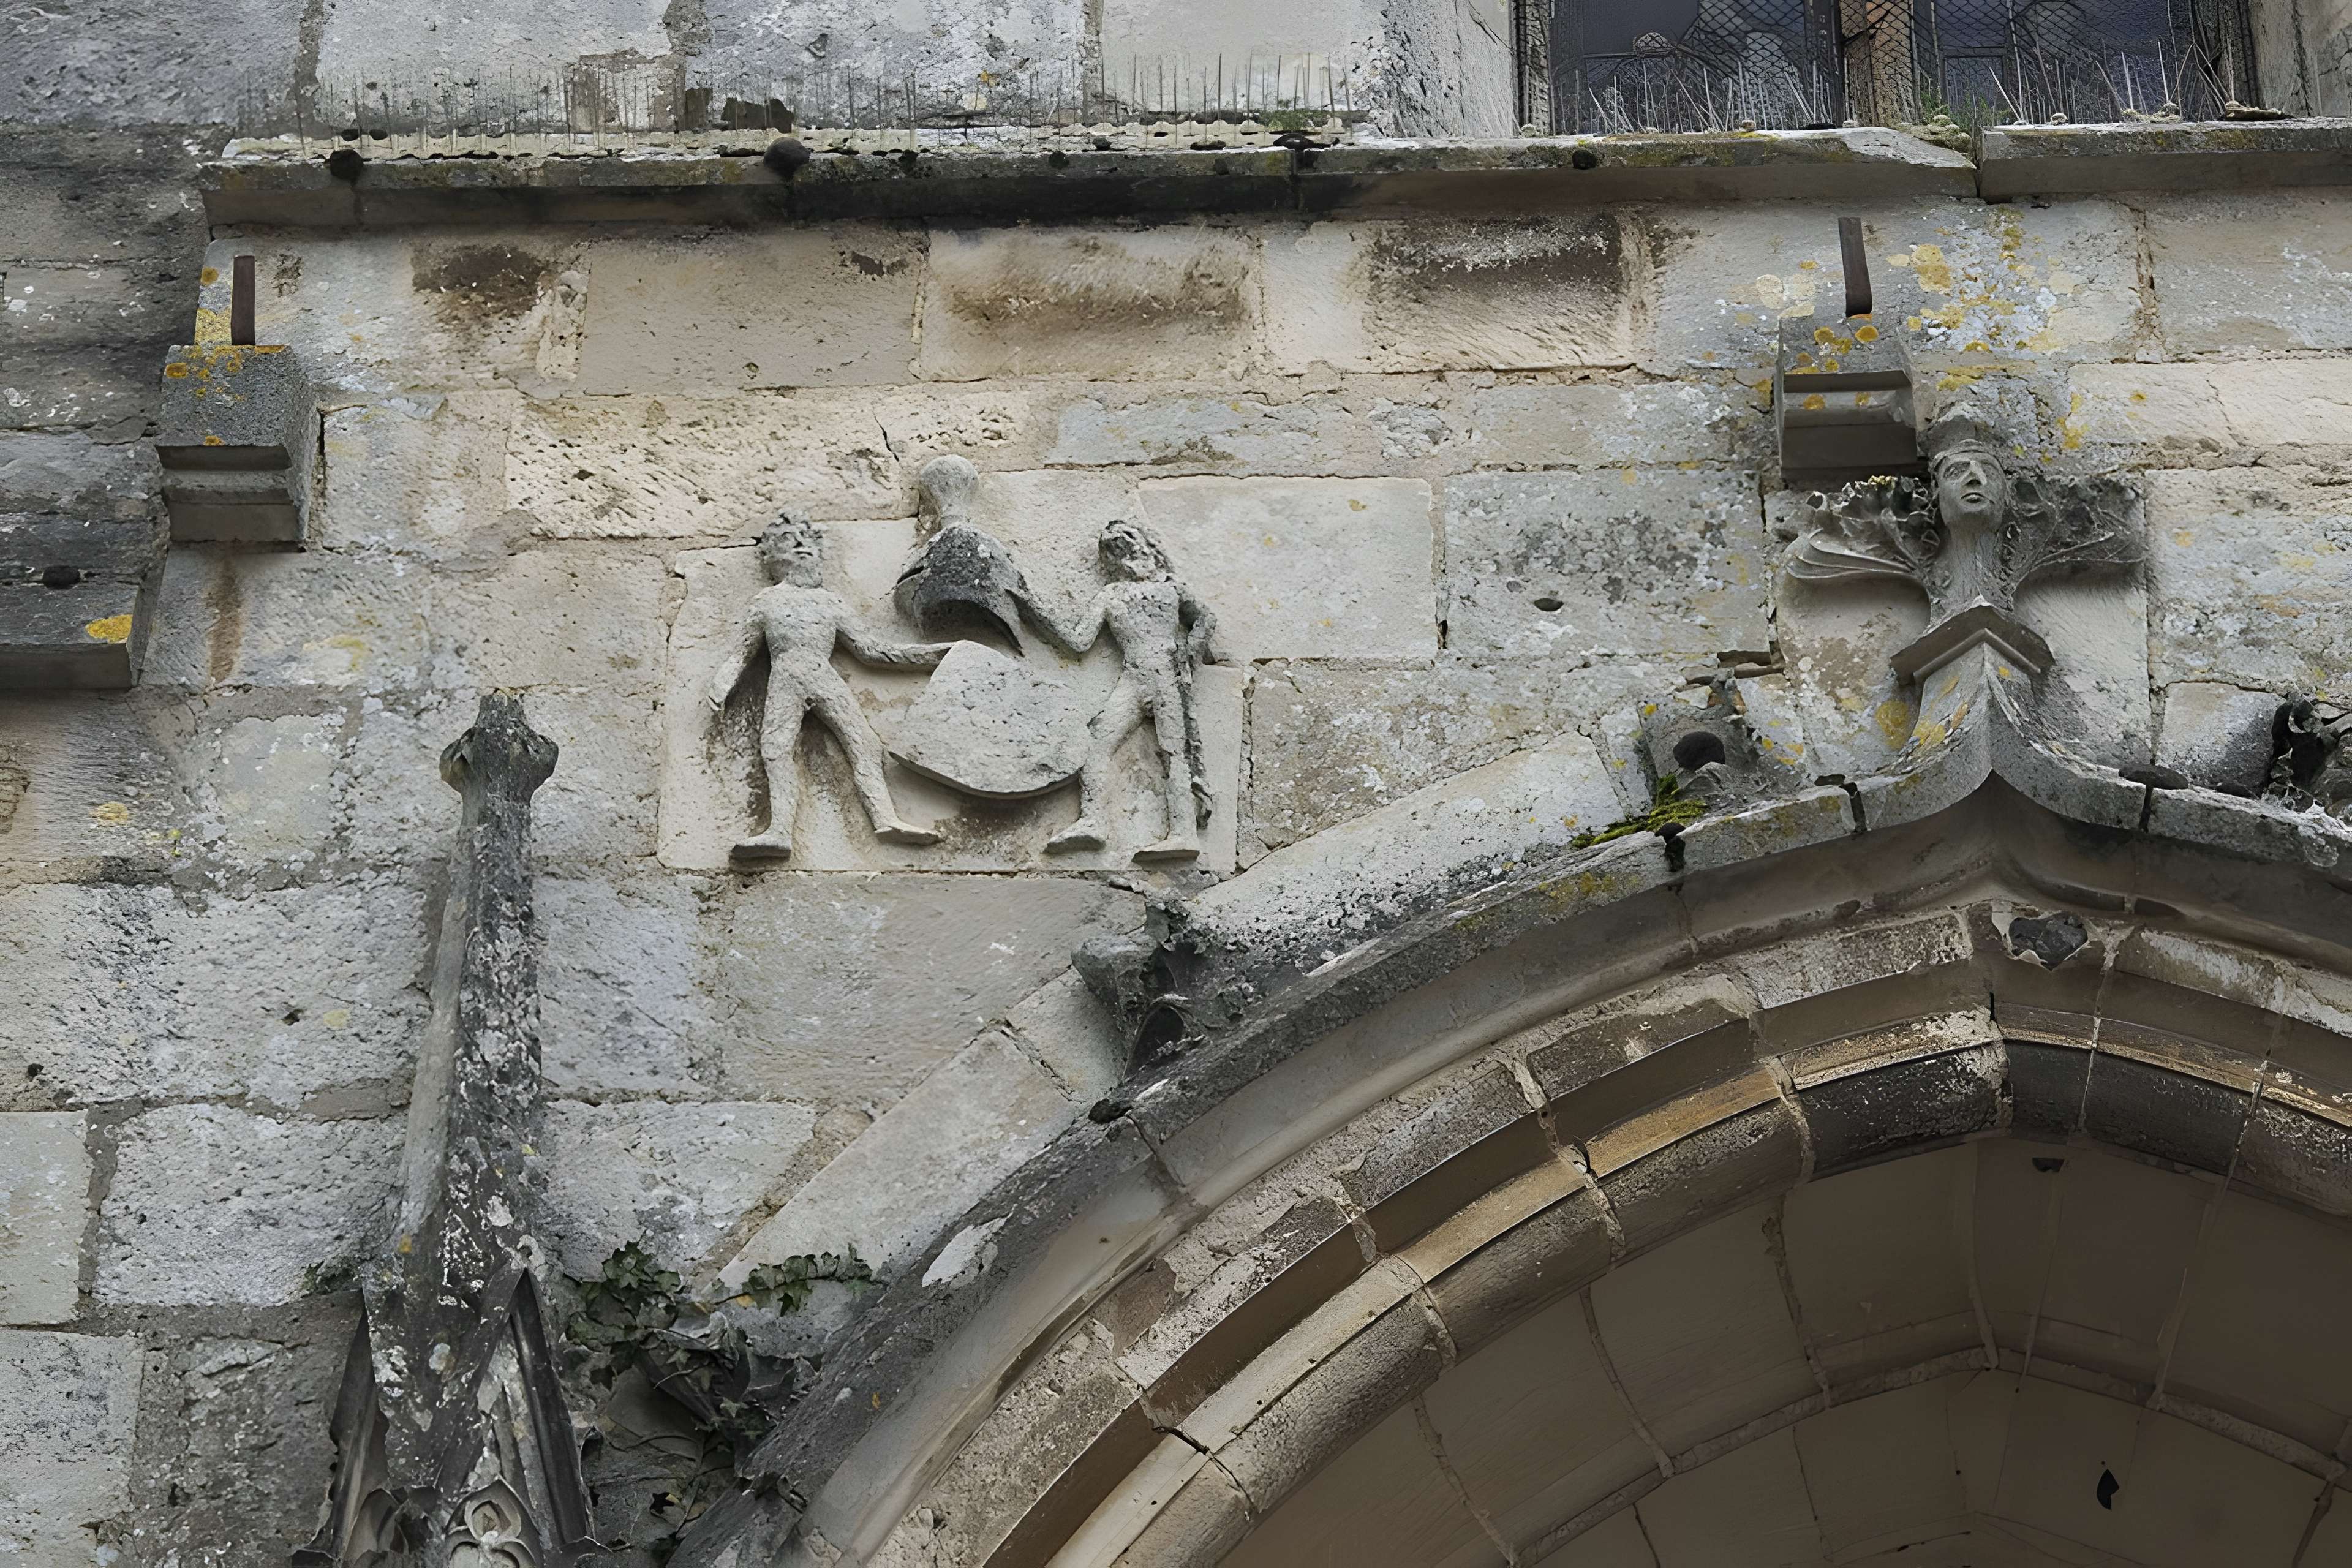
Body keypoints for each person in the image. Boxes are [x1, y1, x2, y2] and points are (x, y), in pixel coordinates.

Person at [707, 513, 954, 859]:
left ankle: (885, 817)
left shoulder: (830, 602)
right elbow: (742, 652)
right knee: (776, 749)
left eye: (806, 539)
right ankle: (779, 831)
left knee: (864, 743)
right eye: (788, 541)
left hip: (823, 677)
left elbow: (872, 650)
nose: (800, 546)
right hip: (787, 676)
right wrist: (723, 681)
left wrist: (934, 655)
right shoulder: (767, 601)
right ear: (771, 556)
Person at [1023, 519, 1217, 862]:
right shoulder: (1111, 595)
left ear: (1146, 546)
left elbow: (1204, 618)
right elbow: (1079, 640)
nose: (1125, 552)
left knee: (1174, 752)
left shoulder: (1171, 588)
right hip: (1134, 678)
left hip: (1167, 677)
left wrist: (1190, 652)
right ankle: (1094, 821)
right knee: (1097, 740)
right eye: (1115, 550)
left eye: (1129, 542)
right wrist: (1035, 609)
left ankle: (1183, 833)